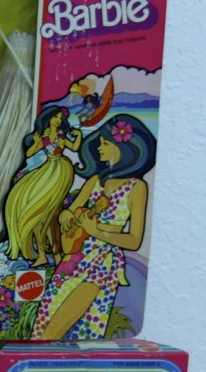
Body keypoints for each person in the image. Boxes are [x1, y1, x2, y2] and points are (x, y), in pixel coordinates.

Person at [31, 114, 156, 339]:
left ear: (124, 148)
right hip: (74, 257)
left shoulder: (136, 187)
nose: (99, 148)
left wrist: (96, 231)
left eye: (105, 143)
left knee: (57, 331)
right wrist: (67, 216)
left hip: (102, 261)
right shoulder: (95, 181)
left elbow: (134, 240)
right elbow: (70, 211)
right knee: (48, 314)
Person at [4, 106, 82, 266]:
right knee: (36, 214)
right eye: (55, 117)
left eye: (60, 118)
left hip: (60, 169)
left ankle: (56, 254)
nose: (58, 120)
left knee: (51, 213)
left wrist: (79, 136)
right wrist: (37, 141)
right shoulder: (42, 135)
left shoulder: (61, 135)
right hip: (48, 168)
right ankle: (42, 255)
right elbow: (29, 153)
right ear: (49, 118)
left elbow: (74, 147)